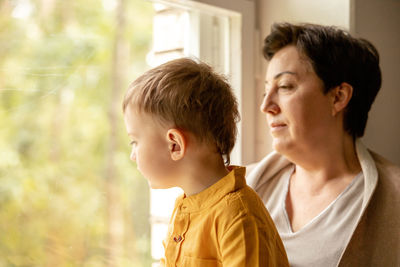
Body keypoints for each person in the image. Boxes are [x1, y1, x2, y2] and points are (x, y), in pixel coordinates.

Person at [246, 22, 400, 267]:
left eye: (285, 86)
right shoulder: (241, 188)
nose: (266, 106)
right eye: (267, 90)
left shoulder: (394, 201)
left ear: (338, 97)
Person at [122, 58, 289, 266]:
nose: (133, 154)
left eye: (135, 141)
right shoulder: (185, 206)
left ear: (175, 145)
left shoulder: (239, 217)